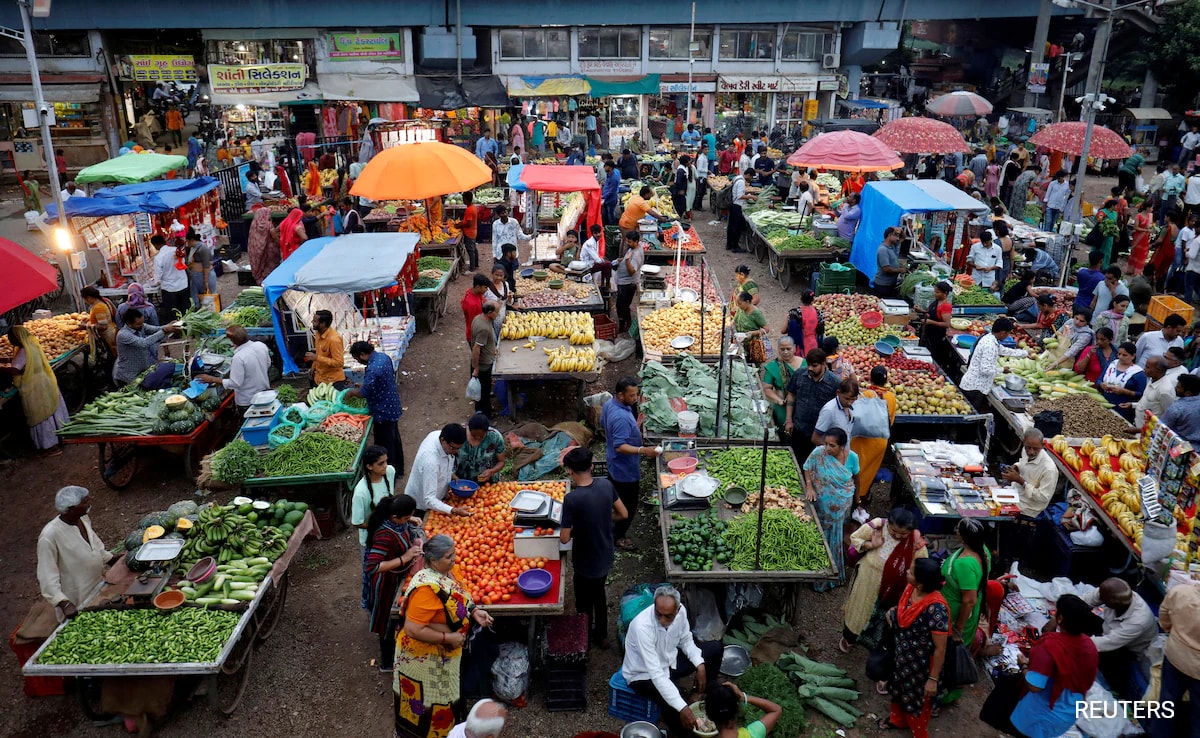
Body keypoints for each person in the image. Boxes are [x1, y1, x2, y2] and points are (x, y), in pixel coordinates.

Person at [394, 534, 494, 738]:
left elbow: (461, 597)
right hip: (424, 657)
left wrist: (474, 611)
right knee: (426, 701)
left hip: (446, 654)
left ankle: (449, 730)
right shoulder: (425, 589)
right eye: (449, 556)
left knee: (446, 695)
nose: (454, 558)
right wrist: (448, 638)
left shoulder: (450, 572)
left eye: (454, 553)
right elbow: (413, 629)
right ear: (433, 561)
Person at [623, 585, 724, 737]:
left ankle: (700, 693)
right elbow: (657, 675)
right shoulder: (642, 627)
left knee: (715, 649)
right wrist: (683, 707)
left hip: (669, 662)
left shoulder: (681, 612)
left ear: (677, 610)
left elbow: (686, 640)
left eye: (668, 616)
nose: (662, 620)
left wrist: (700, 665)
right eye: (658, 614)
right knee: (677, 710)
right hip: (644, 675)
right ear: (654, 606)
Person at [1007, 595, 1102, 738]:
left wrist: (1024, 665)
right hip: (1068, 713)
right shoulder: (1089, 645)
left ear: (1060, 618)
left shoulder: (1050, 646)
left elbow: (1034, 686)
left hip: (1041, 714)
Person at [559, 447, 625, 649]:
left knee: (583, 601)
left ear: (570, 470)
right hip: (604, 555)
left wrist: (576, 526)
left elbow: (564, 538)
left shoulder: (572, 499)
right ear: (592, 466)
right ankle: (602, 636)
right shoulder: (606, 485)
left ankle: (584, 637)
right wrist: (603, 519)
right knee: (599, 594)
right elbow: (623, 513)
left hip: (584, 561)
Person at [878, 558, 949, 737]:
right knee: (898, 690)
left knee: (917, 702)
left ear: (921, 583)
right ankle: (897, 720)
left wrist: (932, 679)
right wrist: (894, 612)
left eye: (910, 572)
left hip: (921, 668)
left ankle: (919, 733)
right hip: (902, 658)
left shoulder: (936, 609)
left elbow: (940, 649)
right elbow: (903, 610)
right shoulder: (911, 589)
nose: (906, 573)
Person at [841, 508, 928, 652]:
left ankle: (873, 642)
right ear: (888, 524)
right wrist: (871, 545)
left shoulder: (916, 543)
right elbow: (855, 538)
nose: (897, 536)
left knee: (882, 617)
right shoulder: (877, 526)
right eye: (893, 531)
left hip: (894, 588)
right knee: (859, 610)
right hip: (867, 579)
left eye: (903, 534)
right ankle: (849, 637)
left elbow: (921, 567)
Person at [364, 494, 422, 672]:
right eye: (406, 517)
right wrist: (404, 558)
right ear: (395, 517)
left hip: (397, 578)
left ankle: (397, 647)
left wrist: (409, 520)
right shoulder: (385, 535)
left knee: (395, 618)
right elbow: (373, 566)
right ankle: (387, 663)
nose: (409, 519)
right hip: (386, 583)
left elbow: (404, 524)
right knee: (386, 621)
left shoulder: (394, 520)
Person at [37, 486, 114, 621]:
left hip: (98, 588)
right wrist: (64, 603)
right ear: (71, 509)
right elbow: (47, 576)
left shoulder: (83, 519)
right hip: (76, 600)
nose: (89, 503)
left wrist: (110, 558)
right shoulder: (49, 535)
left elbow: (94, 543)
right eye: (84, 502)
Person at [602, 377, 661, 552]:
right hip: (624, 469)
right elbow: (620, 446)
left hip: (613, 462)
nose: (636, 398)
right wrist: (643, 450)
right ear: (621, 395)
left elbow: (604, 425)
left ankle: (606, 521)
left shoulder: (609, 404)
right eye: (632, 395)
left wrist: (634, 427)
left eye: (636, 394)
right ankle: (617, 536)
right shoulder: (620, 417)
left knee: (615, 497)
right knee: (628, 506)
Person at [939, 518, 991, 704]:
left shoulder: (963, 564)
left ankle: (947, 694)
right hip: (969, 613)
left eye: (957, 529)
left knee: (949, 654)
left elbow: (969, 600)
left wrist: (957, 628)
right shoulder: (983, 551)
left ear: (962, 536)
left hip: (957, 615)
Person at [803, 426, 858, 588]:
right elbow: (807, 467)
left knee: (834, 535)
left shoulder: (852, 457)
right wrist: (810, 487)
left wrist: (858, 499)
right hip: (821, 503)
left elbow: (856, 477)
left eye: (832, 445)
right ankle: (814, 571)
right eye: (826, 443)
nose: (827, 448)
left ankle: (831, 574)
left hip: (841, 504)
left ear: (842, 446)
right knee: (819, 533)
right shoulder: (818, 453)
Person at [0, 326, 69, 452]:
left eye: (11, 338)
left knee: (41, 415)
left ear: (17, 338)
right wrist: (3, 360)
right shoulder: (32, 345)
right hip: (45, 381)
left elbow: (15, 369)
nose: (9, 341)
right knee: (51, 410)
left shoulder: (23, 351)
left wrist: (1, 369)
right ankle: (61, 438)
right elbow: (20, 361)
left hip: (35, 387)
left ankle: (50, 447)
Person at [346, 341, 405, 475]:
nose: (358, 362)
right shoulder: (383, 357)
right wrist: (364, 386)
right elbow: (380, 382)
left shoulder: (373, 369)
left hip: (382, 410)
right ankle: (399, 469)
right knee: (394, 438)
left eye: (357, 359)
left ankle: (389, 473)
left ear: (362, 354)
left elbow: (363, 393)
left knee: (385, 444)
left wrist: (351, 392)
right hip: (392, 404)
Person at [1155, 578, 1200, 738]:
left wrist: (1174, 631)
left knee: (1167, 703)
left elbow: (1164, 618)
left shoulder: (1180, 592)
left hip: (1176, 656)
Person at [959, 318, 1030, 409]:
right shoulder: (990, 345)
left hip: (973, 385)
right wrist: (1002, 370)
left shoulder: (989, 338)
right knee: (970, 411)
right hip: (975, 388)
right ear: (1003, 332)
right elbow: (985, 370)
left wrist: (1025, 353)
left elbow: (1003, 350)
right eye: (1008, 333)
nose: (1007, 336)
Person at [851, 366, 898, 505]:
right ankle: (863, 496)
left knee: (856, 468)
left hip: (861, 439)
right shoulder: (891, 397)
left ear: (870, 378)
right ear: (886, 380)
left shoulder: (865, 395)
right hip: (880, 441)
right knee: (870, 470)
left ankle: (853, 495)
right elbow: (891, 420)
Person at [785, 348, 840, 463]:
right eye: (808, 365)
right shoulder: (799, 374)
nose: (810, 368)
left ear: (824, 364)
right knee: (793, 461)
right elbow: (791, 395)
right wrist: (789, 419)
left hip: (818, 435)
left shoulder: (834, 383)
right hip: (798, 429)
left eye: (814, 366)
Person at [195, 325, 270, 410]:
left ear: (232, 341)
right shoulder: (261, 346)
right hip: (264, 394)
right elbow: (268, 364)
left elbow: (235, 383)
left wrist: (212, 379)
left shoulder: (239, 357)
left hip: (248, 400)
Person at [404, 424, 470, 518]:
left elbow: (444, 462)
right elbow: (429, 499)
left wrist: (450, 474)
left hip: (437, 500)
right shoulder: (431, 461)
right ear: (443, 440)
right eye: (453, 448)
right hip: (420, 506)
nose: (457, 452)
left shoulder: (438, 435)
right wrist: (453, 510)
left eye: (459, 448)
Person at [999, 428, 1059, 518]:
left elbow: (1043, 497)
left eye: (1035, 449)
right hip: (1015, 494)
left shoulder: (1049, 469)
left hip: (1028, 508)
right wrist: (1016, 467)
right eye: (1028, 447)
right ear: (1024, 443)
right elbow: (1024, 463)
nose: (1031, 452)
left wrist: (1020, 481)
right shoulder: (1025, 450)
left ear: (1043, 445)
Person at [112, 309, 176, 386]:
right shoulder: (123, 335)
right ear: (129, 323)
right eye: (139, 324)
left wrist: (170, 326)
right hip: (128, 376)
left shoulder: (141, 326)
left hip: (141, 373)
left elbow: (156, 329)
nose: (142, 325)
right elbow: (144, 343)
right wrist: (164, 331)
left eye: (142, 322)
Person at [352, 445, 399, 547]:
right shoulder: (361, 492)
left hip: (390, 534)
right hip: (372, 539)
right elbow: (357, 523)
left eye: (386, 461)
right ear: (369, 466)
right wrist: (380, 526)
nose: (385, 465)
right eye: (381, 463)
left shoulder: (390, 471)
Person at [761, 336, 805, 439]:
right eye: (782, 349)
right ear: (778, 349)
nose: (785, 352)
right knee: (785, 435)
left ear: (794, 348)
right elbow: (767, 388)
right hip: (783, 408)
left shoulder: (805, 364)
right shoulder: (774, 366)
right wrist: (779, 400)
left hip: (802, 407)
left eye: (788, 349)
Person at [703, 682, 782, 738]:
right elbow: (776, 710)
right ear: (737, 709)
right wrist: (744, 697)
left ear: (709, 716)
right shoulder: (753, 734)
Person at [1097, 341, 1146, 422]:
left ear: (1133, 356)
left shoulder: (1138, 373)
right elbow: (1099, 380)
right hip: (1104, 402)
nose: (1120, 357)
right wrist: (1101, 384)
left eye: (1124, 355)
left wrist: (1125, 392)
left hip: (1123, 408)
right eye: (1119, 354)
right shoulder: (1112, 364)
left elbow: (1141, 394)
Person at [456, 413, 506, 484]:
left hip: (487, 483)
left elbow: (501, 461)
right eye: (474, 435)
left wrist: (491, 471)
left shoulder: (495, 437)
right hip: (461, 483)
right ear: (469, 429)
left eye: (481, 436)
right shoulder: (459, 434)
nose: (477, 438)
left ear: (487, 431)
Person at [304, 309, 347, 388]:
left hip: (333, 382)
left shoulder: (334, 339)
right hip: (319, 379)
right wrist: (313, 367)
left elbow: (339, 363)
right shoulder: (318, 333)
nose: (312, 322)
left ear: (323, 324)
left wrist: (317, 358)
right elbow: (319, 353)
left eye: (315, 321)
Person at [470, 302, 499, 415]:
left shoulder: (478, 318)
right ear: (490, 312)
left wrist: (492, 349)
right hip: (483, 364)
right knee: (484, 391)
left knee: (483, 390)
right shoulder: (484, 328)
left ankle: (482, 410)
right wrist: (476, 368)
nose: (498, 314)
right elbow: (476, 348)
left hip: (483, 360)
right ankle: (486, 414)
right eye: (496, 312)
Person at [1132, 356, 1176, 429]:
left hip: (1147, 431)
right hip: (1137, 424)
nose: (1144, 369)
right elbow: (1148, 402)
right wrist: (1132, 405)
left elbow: (1168, 416)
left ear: (1158, 371)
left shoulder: (1165, 390)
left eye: (1148, 367)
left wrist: (1141, 430)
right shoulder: (1152, 379)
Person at [153, 237, 190, 320]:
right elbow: (183, 263)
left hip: (169, 289)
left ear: (155, 245)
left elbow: (157, 277)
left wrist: (155, 282)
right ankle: (187, 324)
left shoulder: (159, 257)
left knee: (173, 313)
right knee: (185, 309)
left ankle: (176, 326)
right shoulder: (176, 250)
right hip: (182, 284)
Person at [614, 231, 644, 335]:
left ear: (636, 241)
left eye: (629, 241)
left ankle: (623, 326)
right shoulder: (633, 248)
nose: (627, 243)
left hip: (628, 284)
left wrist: (626, 261)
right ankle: (627, 322)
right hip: (624, 281)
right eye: (627, 240)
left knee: (621, 305)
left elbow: (632, 271)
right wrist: (621, 260)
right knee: (624, 304)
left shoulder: (636, 254)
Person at [1161, 373, 1200, 445]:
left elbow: (1162, 429)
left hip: (1180, 447)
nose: (1175, 388)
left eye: (1178, 387)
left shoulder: (1176, 408)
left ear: (1188, 393)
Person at [80, 285, 117, 360]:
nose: (85, 301)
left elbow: (103, 326)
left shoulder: (98, 307)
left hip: (108, 336)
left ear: (89, 298)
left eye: (85, 299)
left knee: (112, 358)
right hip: (112, 331)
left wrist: (86, 326)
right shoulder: (103, 301)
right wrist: (90, 319)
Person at [921, 281, 954, 363]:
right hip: (929, 334)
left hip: (937, 337)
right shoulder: (937, 301)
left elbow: (947, 324)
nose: (935, 294)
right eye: (935, 291)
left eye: (937, 292)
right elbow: (931, 312)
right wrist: (922, 311)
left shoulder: (946, 306)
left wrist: (930, 322)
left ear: (945, 293)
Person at [246, 208, 281, 285]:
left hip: (258, 250)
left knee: (262, 267)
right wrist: (281, 244)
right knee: (270, 267)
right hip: (269, 250)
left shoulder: (254, 224)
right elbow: (274, 236)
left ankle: (261, 282)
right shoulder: (268, 225)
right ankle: (270, 283)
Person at [733, 292, 769, 365]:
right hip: (741, 343)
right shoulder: (741, 309)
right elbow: (734, 321)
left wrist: (752, 333)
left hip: (753, 345)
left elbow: (766, 329)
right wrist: (724, 329)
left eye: (740, 304)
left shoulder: (756, 313)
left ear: (747, 302)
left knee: (753, 365)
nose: (738, 306)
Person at [783, 289, 822, 356]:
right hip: (813, 345)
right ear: (813, 300)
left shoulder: (794, 313)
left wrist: (787, 319)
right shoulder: (818, 313)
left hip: (799, 347)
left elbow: (783, 331)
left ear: (801, 299)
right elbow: (820, 331)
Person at [184, 230, 216, 310]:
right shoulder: (193, 248)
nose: (186, 243)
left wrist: (206, 281)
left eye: (187, 241)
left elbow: (206, 266)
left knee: (209, 296)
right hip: (195, 277)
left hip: (204, 275)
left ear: (191, 240)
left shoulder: (203, 249)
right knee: (195, 296)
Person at [577, 223, 612, 292]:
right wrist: (603, 261)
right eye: (596, 233)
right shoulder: (589, 243)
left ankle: (603, 284)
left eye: (599, 232)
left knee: (606, 265)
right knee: (608, 264)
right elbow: (597, 260)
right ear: (592, 234)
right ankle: (607, 286)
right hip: (586, 265)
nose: (598, 235)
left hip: (591, 263)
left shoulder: (596, 241)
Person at [871, 226, 904, 299]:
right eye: (896, 236)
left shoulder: (893, 246)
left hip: (890, 284)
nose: (898, 238)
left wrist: (900, 230)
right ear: (889, 235)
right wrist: (900, 270)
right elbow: (886, 269)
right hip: (883, 286)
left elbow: (903, 238)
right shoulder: (883, 249)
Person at [727, 165, 751, 253]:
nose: (751, 179)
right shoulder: (741, 182)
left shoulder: (737, 178)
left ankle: (729, 244)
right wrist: (750, 196)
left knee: (731, 226)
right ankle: (735, 246)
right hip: (737, 206)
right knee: (736, 227)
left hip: (733, 205)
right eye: (751, 177)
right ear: (748, 175)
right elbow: (740, 196)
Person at [602, 160, 621, 225]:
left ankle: (612, 227)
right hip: (606, 198)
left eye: (605, 166)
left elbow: (612, 191)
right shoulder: (609, 174)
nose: (604, 168)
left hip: (611, 199)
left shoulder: (614, 178)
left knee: (611, 215)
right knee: (605, 214)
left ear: (610, 167)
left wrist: (603, 197)